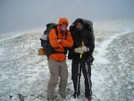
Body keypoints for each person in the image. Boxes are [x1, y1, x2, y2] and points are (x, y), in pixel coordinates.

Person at [47, 18, 73, 101]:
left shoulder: (67, 33)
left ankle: (62, 92)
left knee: (64, 77)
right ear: (59, 24)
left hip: (62, 58)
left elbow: (71, 44)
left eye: (66, 25)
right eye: (63, 24)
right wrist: (63, 44)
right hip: (53, 58)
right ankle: (50, 96)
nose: (64, 26)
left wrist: (61, 41)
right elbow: (54, 44)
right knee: (54, 78)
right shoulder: (53, 31)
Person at [68, 18, 95, 100]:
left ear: (82, 25)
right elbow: (70, 47)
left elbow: (92, 45)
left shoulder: (88, 34)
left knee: (87, 76)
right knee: (75, 76)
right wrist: (75, 50)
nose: (78, 25)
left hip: (86, 59)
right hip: (76, 59)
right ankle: (76, 92)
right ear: (75, 25)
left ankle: (88, 93)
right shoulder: (72, 34)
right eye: (77, 24)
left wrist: (87, 49)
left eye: (80, 24)